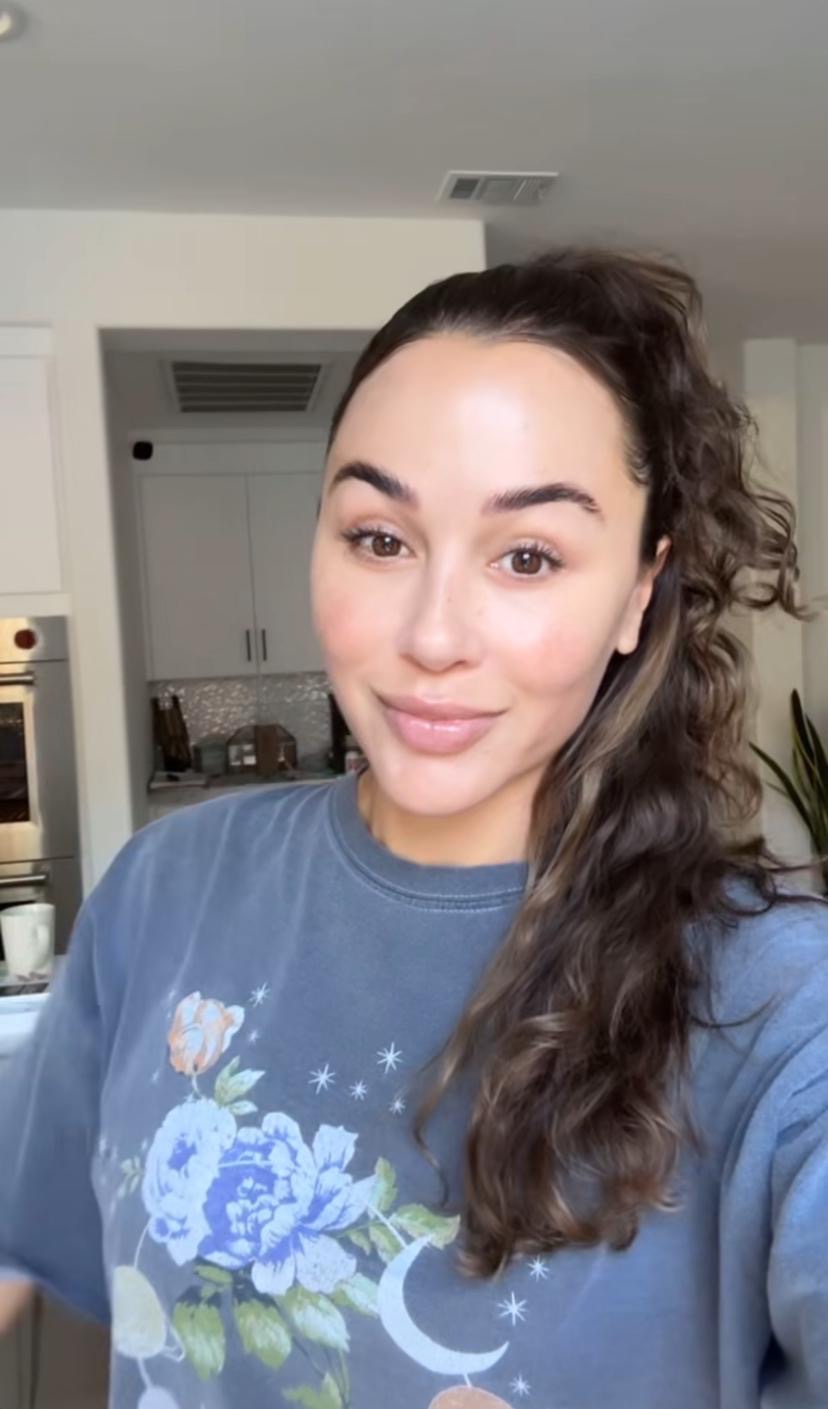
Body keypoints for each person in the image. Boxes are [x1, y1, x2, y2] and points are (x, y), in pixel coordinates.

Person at [1, 248, 827, 1409]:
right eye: (380, 537)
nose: (432, 636)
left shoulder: (777, 1003)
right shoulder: (164, 888)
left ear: (641, 591)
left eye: (528, 555)